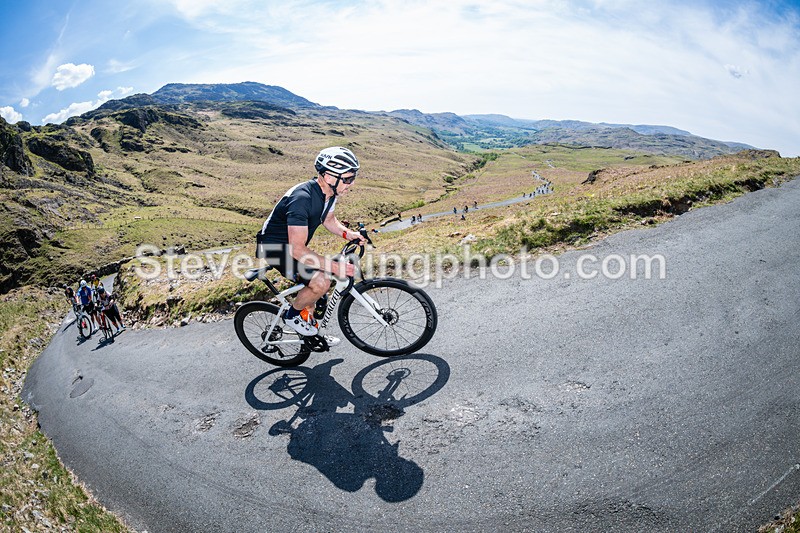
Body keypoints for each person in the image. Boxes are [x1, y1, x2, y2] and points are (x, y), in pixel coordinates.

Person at [256, 146, 365, 337]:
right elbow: (297, 250)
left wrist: (349, 234)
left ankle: (310, 319)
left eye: (353, 178)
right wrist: (332, 267)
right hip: (277, 249)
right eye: (347, 178)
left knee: (323, 274)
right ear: (330, 176)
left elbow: (328, 220)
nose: (351, 183)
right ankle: (292, 315)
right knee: (321, 281)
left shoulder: (329, 194)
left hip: (294, 246)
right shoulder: (302, 199)